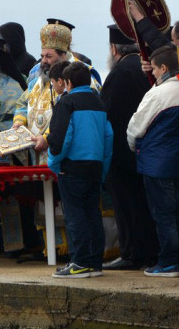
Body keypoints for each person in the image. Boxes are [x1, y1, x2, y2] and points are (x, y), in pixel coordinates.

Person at [127, 45, 179, 278]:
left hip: (157, 163)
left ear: (164, 68)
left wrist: (134, 147)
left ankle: (168, 261)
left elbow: (136, 126)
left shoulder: (157, 93)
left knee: (164, 214)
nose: (154, 74)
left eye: (155, 69)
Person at [47, 61, 113, 278]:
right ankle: (94, 263)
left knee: (75, 216)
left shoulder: (67, 102)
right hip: (95, 166)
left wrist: (54, 164)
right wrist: (102, 169)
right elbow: (108, 138)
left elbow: (60, 138)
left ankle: (80, 262)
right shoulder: (99, 102)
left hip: (72, 167)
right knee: (92, 213)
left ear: (67, 83)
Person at [99, 25, 155, 270]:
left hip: (121, 153)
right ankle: (148, 252)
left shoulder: (120, 71)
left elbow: (107, 114)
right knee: (143, 204)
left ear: (113, 48)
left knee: (126, 206)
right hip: (146, 149)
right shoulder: (144, 68)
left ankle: (132, 254)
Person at [15, 19, 101, 164]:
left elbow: (75, 116)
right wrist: (18, 123)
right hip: (36, 154)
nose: (43, 61)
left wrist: (48, 137)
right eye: (42, 56)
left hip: (70, 156)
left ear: (63, 55)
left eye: (49, 56)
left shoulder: (84, 75)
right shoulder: (38, 75)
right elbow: (23, 103)